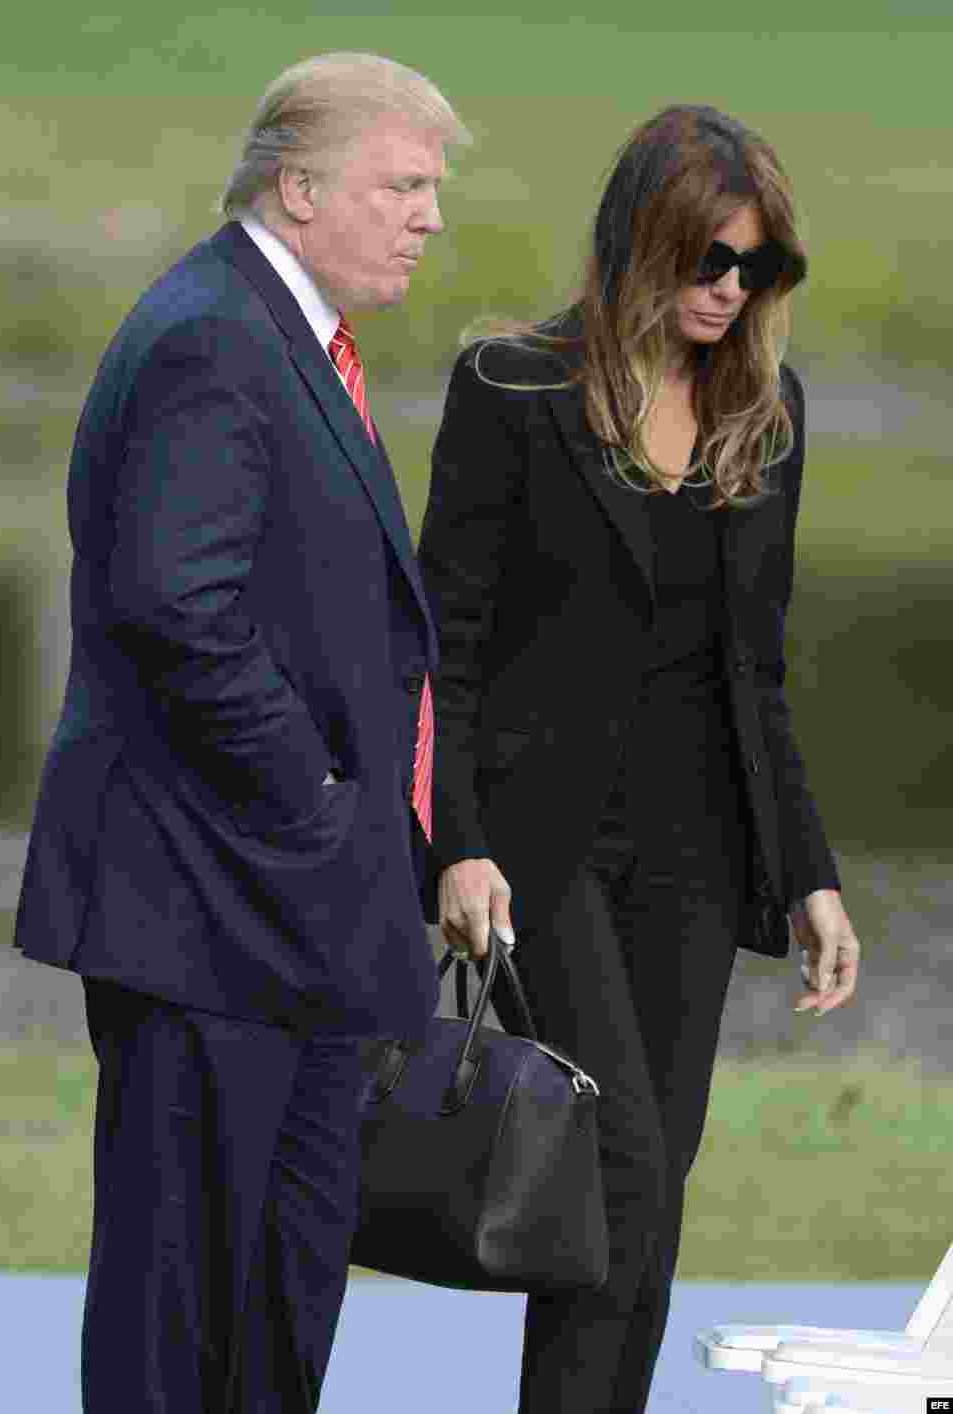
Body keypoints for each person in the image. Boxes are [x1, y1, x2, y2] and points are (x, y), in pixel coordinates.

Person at [13, 52, 469, 1413]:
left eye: (431, 189)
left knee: (275, 1306)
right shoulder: (214, 334)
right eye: (403, 184)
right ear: (299, 183)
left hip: (285, 925)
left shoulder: (289, 336)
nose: (428, 215)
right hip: (210, 916)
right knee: (181, 1321)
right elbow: (176, 607)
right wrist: (323, 798)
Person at [418, 104, 862, 1414]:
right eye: (706, 258)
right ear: (638, 243)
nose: (730, 290)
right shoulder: (513, 388)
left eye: (757, 267)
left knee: (647, 1191)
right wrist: (455, 836)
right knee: (612, 1160)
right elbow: (441, 640)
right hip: (539, 853)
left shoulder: (766, 423)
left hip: (697, 861)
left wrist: (810, 874)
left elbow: (756, 676)